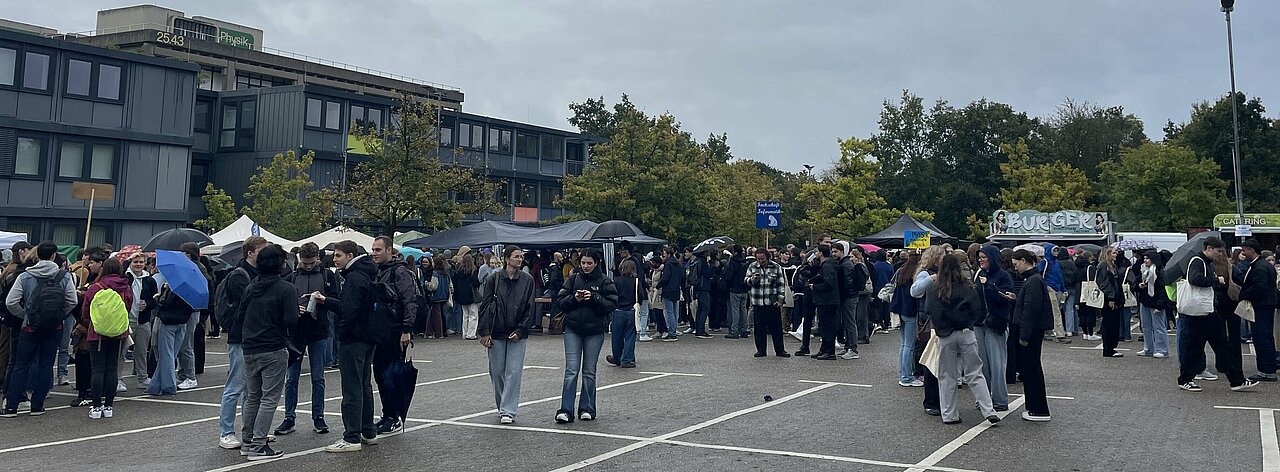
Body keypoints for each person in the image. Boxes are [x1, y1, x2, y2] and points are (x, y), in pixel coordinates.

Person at [233, 244, 297, 460]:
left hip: (250, 346)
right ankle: (259, 445)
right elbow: (290, 321)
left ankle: (248, 440)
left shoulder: (251, 287)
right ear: (280, 263)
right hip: (273, 346)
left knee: (253, 396)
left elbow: (240, 316)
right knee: (269, 398)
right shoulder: (286, 289)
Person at [2, 242, 78, 417]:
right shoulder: (64, 276)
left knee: (21, 365)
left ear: (37, 256)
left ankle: (12, 405)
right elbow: (72, 301)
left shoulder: (25, 276)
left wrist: (26, 316)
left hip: (29, 327)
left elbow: (11, 302)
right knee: (45, 365)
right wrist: (59, 315)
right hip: (54, 326)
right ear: (53, 256)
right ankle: (37, 405)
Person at [319, 240, 380, 452]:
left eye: (337, 255)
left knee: (352, 387)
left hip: (353, 338)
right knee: (364, 385)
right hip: (368, 335)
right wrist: (326, 301)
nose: (334, 260)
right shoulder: (366, 273)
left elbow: (349, 310)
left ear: (349, 255)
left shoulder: (354, 277)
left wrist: (343, 331)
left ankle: (351, 436)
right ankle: (368, 431)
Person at [925, 254, 1000, 425]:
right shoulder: (967, 286)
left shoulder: (934, 287)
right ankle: (988, 410)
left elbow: (928, 309)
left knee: (947, 377)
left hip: (944, 334)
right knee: (975, 373)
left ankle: (949, 415)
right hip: (966, 331)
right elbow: (977, 310)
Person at [1176, 237, 1258, 392]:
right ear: (1208, 248)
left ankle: (1236, 380)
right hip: (1200, 313)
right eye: (1218, 251)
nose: (1220, 254)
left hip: (1207, 312)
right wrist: (1215, 280)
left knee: (1220, 346)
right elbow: (1194, 279)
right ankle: (1185, 379)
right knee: (1197, 347)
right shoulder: (1197, 261)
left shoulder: (1206, 263)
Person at [275, 242, 338, 436]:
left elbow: (336, 301)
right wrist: (295, 307)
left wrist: (323, 301)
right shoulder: (291, 277)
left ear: (317, 259)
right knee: (291, 378)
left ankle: (318, 416)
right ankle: (289, 417)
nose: (308, 266)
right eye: (305, 263)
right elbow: (282, 303)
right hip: (296, 332)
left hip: (318, 330)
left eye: (311, 263)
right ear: (299, 260)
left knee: (318, 376)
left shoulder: (328, 276)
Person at [215, 236, 268, 450]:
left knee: (252, 388)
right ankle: (226, 431)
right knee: (235, 386)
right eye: (262, 250)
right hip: (240, 337)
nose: (265, 254)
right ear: (251, 253)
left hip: (254, 337)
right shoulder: (240, 275)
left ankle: (251, 429)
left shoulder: (258, 273)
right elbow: (248, 304)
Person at [555, 249, 618, 423]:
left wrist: (594, 298)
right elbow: (560, 301)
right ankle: (566, 409)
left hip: (594, 331)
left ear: (596, 263)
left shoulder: (605, 281)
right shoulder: (573, 279)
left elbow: (612, 304)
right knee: (571, 371)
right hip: (573, 329)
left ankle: (587, 407)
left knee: (589, 371)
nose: (586, 266)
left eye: (589, 263)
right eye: (583, 262)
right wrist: (575, 298)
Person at [478, 246, 536, 425]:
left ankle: (508, 410)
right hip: (496, 331)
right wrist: (484, 332)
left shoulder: (527, 280)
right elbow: (485, 306)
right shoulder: (493, 279)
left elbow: (529, 307)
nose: (520, 260)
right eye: (516, 256)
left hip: (517, 331)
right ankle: (502, 403)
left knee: (513, 371)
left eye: (521, 257)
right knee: (496, 372)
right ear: (506, 258)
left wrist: (521, 330)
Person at [370, 236, 419, 435]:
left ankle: (393, 416)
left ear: (389, 250)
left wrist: (406, 329)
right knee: (380, 375)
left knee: (391, 375)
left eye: (378, 249)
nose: (374, 253)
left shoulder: (399, 272)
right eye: (373, 249)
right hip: (380, 330)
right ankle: (388, 414)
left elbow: (410, 301)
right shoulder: (377, 271)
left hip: (395, 330)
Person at [80, 257, 133, 419]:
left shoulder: (95, 287)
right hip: (118, 333)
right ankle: (109, 406)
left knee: (97, 370)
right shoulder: (125, 288)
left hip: (97, 333)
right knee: (112, 369)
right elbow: (128, 308)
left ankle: (96, 407)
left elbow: (85, 312)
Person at [1011, 249, 1052, 421]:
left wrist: (1024, 336)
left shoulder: (1033, 280)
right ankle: (1035, 407)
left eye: (1016, 264)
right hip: (1033, 330)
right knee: (1031, 369)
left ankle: (1038, 409)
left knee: (1032, 369)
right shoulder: (1035, 279)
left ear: (1023, 260)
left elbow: (1031, 310)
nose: (1015, 268)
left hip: (1031, 332)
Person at [975, 245, 1013, 411]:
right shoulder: (980, 274)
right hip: (980, 323)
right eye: (979, 257)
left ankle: (1000, 400)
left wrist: (989, 287)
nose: (980, 260)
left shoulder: (1004, 276)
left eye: (983, 257)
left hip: (996, 324)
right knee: (982, 365)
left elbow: (1007, 298)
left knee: (997, 365)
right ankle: (983, 398)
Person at [911, 246, 945, 415]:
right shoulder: (926, 273)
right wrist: (930, 279)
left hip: (940, 320)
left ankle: (940, 399)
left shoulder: (944, 272)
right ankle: (931, 401)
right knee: (931, 360)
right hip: (928, 320)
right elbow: (915, 292)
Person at [1238, 239, 1278, 382]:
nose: (1243, 253)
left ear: (1251, 250)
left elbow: (1259, 287)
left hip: (1261, 306)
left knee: (1261, 338)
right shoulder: (1265, 265)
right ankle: (1268, 369)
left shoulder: (1259, 267)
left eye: (1244, 250)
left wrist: (1244, 294)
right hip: (1266, 306)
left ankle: (1266, 371)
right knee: (1266, 337)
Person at [1, 241, 35, 398]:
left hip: (6, 316)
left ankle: (6, 384)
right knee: (15, 356)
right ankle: (11, 388)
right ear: (22, 251)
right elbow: (12, 300)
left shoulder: (8, 270)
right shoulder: (19, 273)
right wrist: (24, 315)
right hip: (15, 318)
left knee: (7, 352)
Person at [746, 247, 789, 358]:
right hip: (758, 302)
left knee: (776, 329)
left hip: (772, 302)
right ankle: (761, 350)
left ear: (768, 257)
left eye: (763, 259)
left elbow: (780, 284)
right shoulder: (752, 266)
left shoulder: (776, 267)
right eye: (759, 259)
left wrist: (780, 299)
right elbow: (746, 280)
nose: (761, 261)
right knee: (759, 329)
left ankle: (780, 350)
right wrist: (752, 280)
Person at [125, 253, 158, 389]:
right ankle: (118, 378)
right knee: (121, 352)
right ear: (130, 263)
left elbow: (155, 299)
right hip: (126, 321)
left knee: (142, 352)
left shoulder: (149, 280)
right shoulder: (125, 278)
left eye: (141, 262)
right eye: (135, 262)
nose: (138, 264)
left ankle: (142, 377)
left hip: (143, 321)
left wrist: (148, 304)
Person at [891, 252, 922, 387]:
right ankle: (906, 376)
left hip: (901, 309)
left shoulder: (901, 271)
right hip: (910, 311)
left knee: (904, 344)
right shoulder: (916, 274)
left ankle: (903, 373)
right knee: (909, 345)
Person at [1133, 251, 1170, 358]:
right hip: (1144, 301)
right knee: (1146, 326)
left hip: (1156, 302)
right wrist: (1138, 286)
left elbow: (1163, 290)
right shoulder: (1143, 271)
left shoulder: (1160, 272)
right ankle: (1148, 348)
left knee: (1159, 327)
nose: (1145, 261)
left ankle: (1162, 349)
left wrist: (1160, 305)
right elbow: (1134, 285)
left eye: (1147, 258)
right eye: (1144, 258)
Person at [808, 244, 841, 360]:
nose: (815, 254)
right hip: (825, 300)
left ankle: (830, 351)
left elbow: (829, 283)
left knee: (828, 326)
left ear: (821, 253)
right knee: (823, 325)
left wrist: (815, 286)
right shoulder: (825, 265)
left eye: (816, 252)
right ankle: (824, 348)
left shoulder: (827, 266)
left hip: (827, 300)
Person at [606, 260, 641, 368]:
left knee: (617, 336)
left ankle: (617, 357)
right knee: (630, 335)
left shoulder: (616, 281)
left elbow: (611, 295)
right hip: (631, 311)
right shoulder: (636, 281)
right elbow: (641, 296)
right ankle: (627, 359)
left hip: (618, 311)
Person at [1095, 246, 1125, 358]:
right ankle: (1108, 348)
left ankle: (1111, 347)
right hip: (1108, 299)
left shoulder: (1112, 266)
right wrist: (1111, 297)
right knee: (1109, 324)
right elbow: (1103, 283)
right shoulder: (1102, 266)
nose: (1116, 254)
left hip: (1115, 297)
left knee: (1114, 323)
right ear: (1107, 254)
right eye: (1113, 253)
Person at [452, 253, 481, 340]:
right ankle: (471, 334)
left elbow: (455, 283)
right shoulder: (473, 271)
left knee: (465, 315)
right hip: (471, 295)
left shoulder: (458, 272)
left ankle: (464, 333)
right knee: (473, 315)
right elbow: (476, 283)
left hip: (461, 296)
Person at [658, 247, 685, 342]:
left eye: (664, 254)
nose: (663, 256)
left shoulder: (668, 264)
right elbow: (682, 277)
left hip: (668, 290)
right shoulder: (678, 264)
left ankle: (672, 333)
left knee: (669, 312)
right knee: (675, 312)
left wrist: (658, 285)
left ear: (668, 254)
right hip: (676, 289)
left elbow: (665, 278)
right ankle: (674, 330)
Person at [426, 256, 449, 339]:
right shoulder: (445, 274)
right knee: (439, 314)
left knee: (436, 315)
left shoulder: (435, 273)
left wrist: (427, 284)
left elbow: (434, 286)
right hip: (444, 296)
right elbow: (450, 285)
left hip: (436, 296)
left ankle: (438, 333)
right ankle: (431, 332)